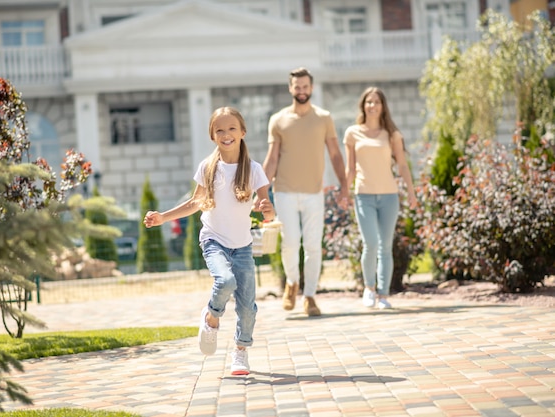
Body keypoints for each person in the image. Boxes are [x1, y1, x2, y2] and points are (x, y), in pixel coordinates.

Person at [143, 107, 274, 376]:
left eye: (232, 129)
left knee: (248, 306)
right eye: (220, 130)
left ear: (243, 132)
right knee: (224, 281)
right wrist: (163, 217)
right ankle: (211, 318)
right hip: (214, 240)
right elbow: (194, 203)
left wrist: (267, 209)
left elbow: (267, 207)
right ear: (213, 135)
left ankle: (240, 352)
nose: (226, 134)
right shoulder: (208, 167)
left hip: (243, 245)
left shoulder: (255, 170)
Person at [263, 67, 348, 316]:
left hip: (314, 192)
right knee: (290, 243)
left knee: (312, 245)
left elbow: (335, 154)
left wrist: (344, 186)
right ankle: (292, 283)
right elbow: (272, 158)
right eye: (296, 87)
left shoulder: (323, 118)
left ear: (311, 88)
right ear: (290, 89)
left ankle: (310, 295)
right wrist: (261, 191)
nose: (301, 91)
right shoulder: (278, 120)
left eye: (305, 86)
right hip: (284, 190)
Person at [342, 87, 418, 309]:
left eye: (376, 102)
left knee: (385, 246)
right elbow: (350, 169)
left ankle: (383, 295)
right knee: (371, 243)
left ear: (383, 106)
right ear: (363, 106)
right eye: (368, 102)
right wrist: (345, 192)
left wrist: (411, 193)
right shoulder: (352, 133)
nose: (372, 106)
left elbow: (402, 165)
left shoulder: (392, 135)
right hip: (363, 195)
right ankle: (369, 288)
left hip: (389, 196)